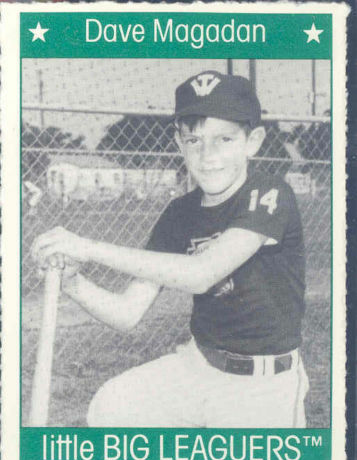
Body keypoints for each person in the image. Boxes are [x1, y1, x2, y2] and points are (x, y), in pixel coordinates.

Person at [32, 70, 308, 428]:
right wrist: (72, 283)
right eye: (194, 140)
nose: (208, 155)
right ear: (180, 144)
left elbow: (201, 274)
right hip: (199, 366)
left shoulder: (269, 193)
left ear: (252, 141)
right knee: (113, 405)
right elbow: (127, 312)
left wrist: (87, 247)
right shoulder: (181, 213)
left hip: (264, 384)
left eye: (223, 139)